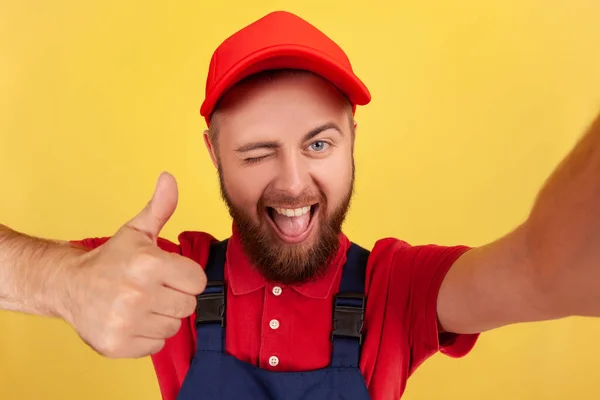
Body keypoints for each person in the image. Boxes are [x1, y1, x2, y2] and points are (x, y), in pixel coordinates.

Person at [1, 9, 599, 400]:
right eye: (258, 152)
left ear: (352, 139)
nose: (294, 184)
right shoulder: (164, 275)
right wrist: (65, 280)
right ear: (213, 154)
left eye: (318, 143)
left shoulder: (401, 290)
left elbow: (547, 272)